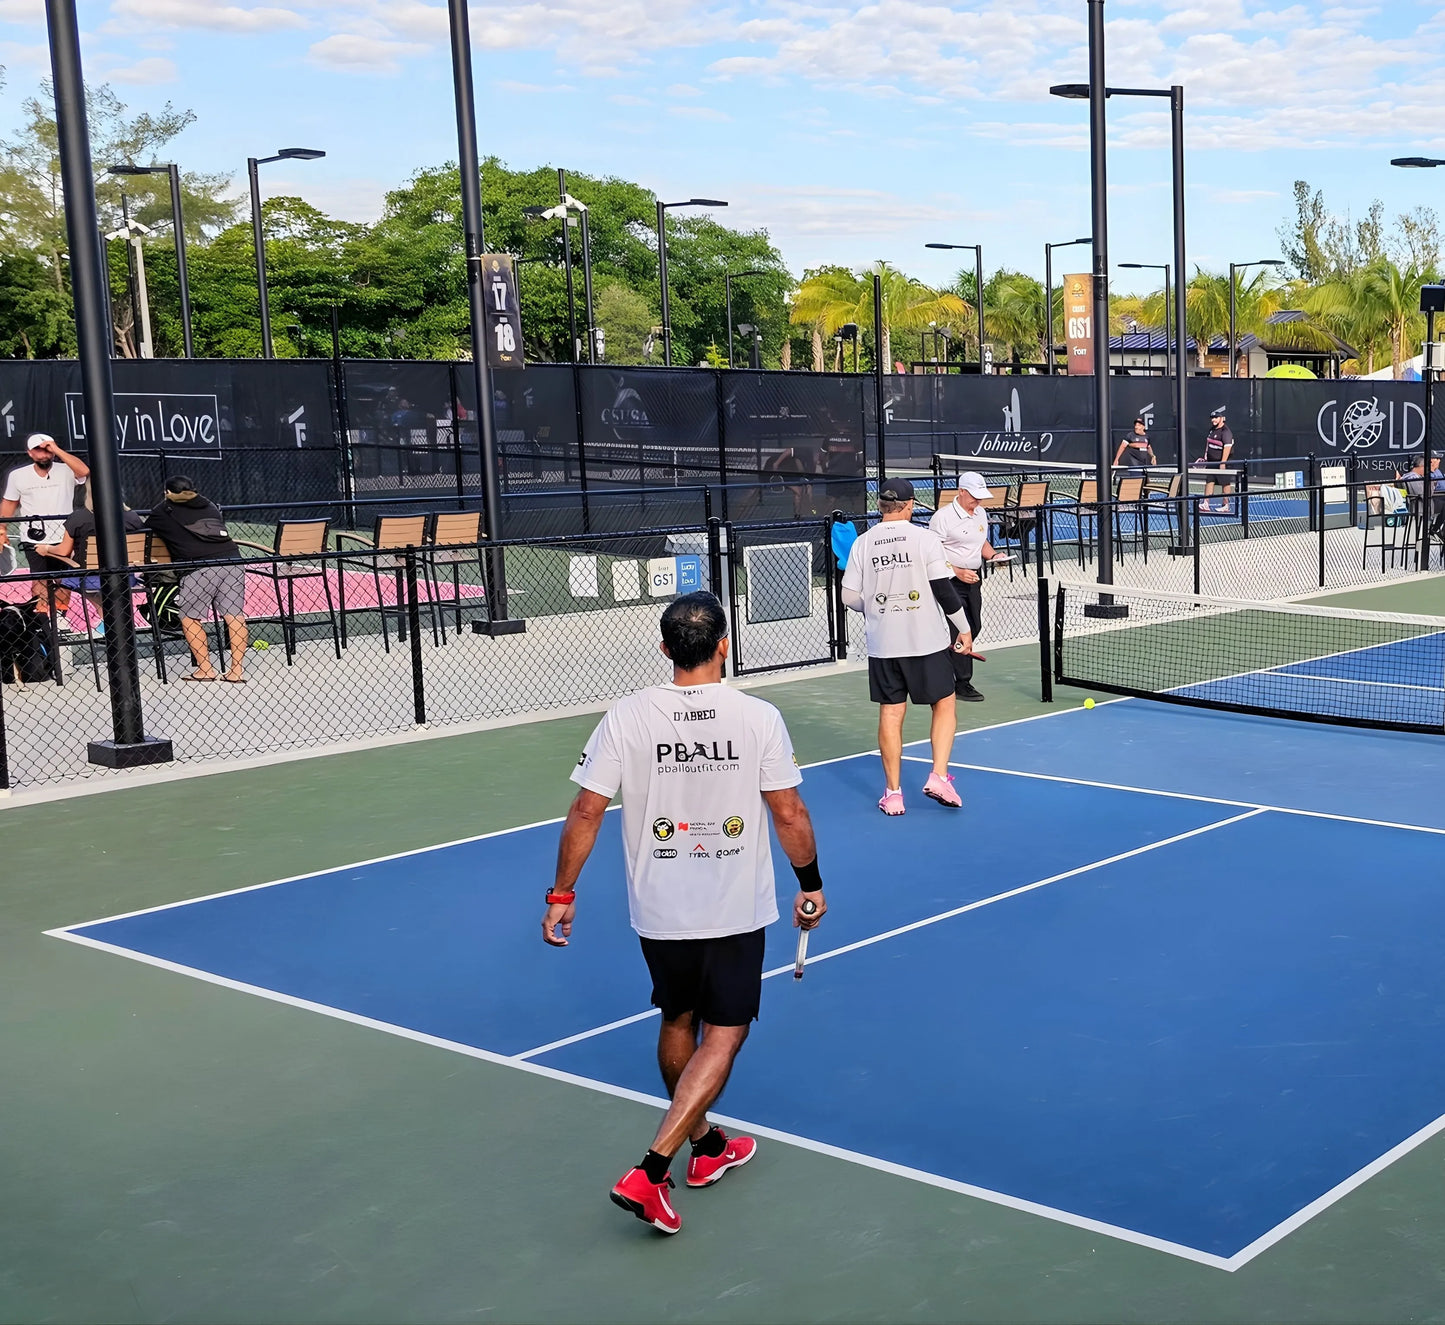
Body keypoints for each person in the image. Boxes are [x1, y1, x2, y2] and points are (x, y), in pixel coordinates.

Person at [545, 591, 826, 1236]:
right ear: (724, 645)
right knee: (725, 1033)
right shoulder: (758, 718)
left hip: (658, 907)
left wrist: (562, 893)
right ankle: (651, 1169)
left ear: (667, 648)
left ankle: (705, 1146)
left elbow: (586, 810)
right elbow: (788, 811)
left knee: (679, 1017)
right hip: (732, 906)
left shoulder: (625, 717)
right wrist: (809, 883)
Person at [841, 476, 976, 815]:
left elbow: (849, 597)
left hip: (884, 645)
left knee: (891, 712)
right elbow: (944, 592)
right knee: (944, 703)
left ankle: (893, 794)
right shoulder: (925, 539)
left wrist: (874, 606)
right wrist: (964, 630)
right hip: (926, 642)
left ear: (881, 506)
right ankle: (939, 776)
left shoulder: (863, 543)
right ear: (910, 505)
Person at [143, 475, 248, 683]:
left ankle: (205, 669)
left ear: (167, 493)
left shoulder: (162, 511)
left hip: (197, 567)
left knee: (190, 618)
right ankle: (236, 671)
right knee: (234, 616)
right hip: (232, 560)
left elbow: (143, 530)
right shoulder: (209, 505)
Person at [928, 472, 1008, 704]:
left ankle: (945, 658)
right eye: (974, 496)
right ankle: (961, 683)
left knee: (974, 626)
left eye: (980, 497)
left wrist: (993, 555)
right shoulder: (942, 518)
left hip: (974, 578)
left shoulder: (980, 513)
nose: (978, 501)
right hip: (949, 580)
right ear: (961, 491)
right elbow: (932, 554)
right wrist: (956, 571)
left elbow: (980, 542)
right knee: (961, 630)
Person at [32, 485, 146, 638]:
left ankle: (101, 622)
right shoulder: (132, 517)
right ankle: (113, 622)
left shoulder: (79, 517)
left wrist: (46, 549)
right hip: (126, 575)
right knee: (102, 590)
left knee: (61, 578)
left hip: (89, 577)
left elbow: (63, 551)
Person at [0, 432, 90, 611]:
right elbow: (10, 502)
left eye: (46, 449)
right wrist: (1, 528)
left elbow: (84, 471)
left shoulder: (66, 469)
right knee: (40, 578)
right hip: (33, 537)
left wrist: (55, 448)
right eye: (38, 450)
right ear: (30, 453)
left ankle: (61, 619)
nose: (43, 453)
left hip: (65, 536)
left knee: (63, 579)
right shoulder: (17, 475)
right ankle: (42, 619)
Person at [1195, 407, 1235, 513]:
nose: (1213, 420)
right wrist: (1205, 457)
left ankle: (1226, 505)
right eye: (1212, 418)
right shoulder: (1212, 430)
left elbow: (1227, 447)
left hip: (1222, 462)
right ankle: (1205, 503)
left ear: (1222, 419)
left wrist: (1223, 462)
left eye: (1216, 418)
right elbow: (1208, 444)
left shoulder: (1226, 432)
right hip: (1211, 462)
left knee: (1225, 483)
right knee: (1209, 481)